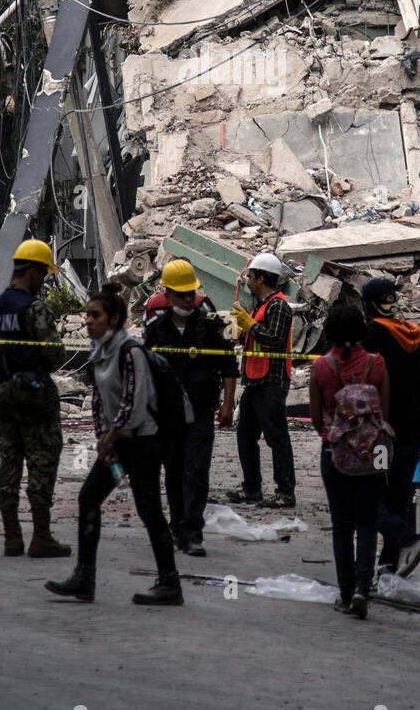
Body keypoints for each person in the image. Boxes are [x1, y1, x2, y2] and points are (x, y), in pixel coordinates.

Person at [46, 282, 183, 606]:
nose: (87, 321)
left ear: (114, 318)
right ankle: (84, 577)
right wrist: (101, 440)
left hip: (143, 441)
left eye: (95, 315)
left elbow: (133, 404)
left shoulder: (130, 351)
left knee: (149, 509)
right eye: (87, 315)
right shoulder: (99, 351)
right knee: (89, 498)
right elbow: (99, 400)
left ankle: (170, 583)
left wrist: (109, 439)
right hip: (118, 442)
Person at [0, 238, 70, 560]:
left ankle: (12, 536)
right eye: (44, 274)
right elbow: (55, 354)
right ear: (32, 272)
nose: (44, 281)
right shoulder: (35, 309)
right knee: (41, 461)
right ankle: (41, 536)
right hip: (34, 397)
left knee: (9, 463)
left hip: (1, 394)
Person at [143, 259, 237, 557]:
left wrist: (228, 404)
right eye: (182, 294)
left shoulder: (212, 327)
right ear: (167, 295)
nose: (188, 299)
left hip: (200, 410)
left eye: (191, 294)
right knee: (173, 470)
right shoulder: (156, 331)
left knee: (196, 470)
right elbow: (147, 372)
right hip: (168, 413)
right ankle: (177, 527)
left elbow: (229, 366)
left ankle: (193, 532)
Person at [310, 304, 393, 618]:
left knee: (342, 525)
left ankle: (345, 594)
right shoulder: (377, 363)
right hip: (373, 454)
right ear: (361, 331)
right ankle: (362, 587)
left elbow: (316, 418)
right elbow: (384, 413)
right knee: (368, 523)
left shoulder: (321, 366)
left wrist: (335, 435)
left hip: (336, 454)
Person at [361, 277, 420, 578]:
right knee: (399, 496)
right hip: (412, 432)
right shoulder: (412, 334)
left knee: (367, 496)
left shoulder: (370, 337)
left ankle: (406, 541)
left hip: (381, 434)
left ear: (367, 306)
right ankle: (389, 565)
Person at [227, 251, 296, 508]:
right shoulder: (261, 305)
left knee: (276, 438)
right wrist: (239, 332)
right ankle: (251, 488)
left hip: (271, 382)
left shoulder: (278, 305)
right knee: (245, 436)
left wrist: (249, 325)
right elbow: (256, 338)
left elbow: (275, 340)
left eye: (251, 277)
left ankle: (285, 492)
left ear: (261, 278)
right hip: (255, 381)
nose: (247, 282)